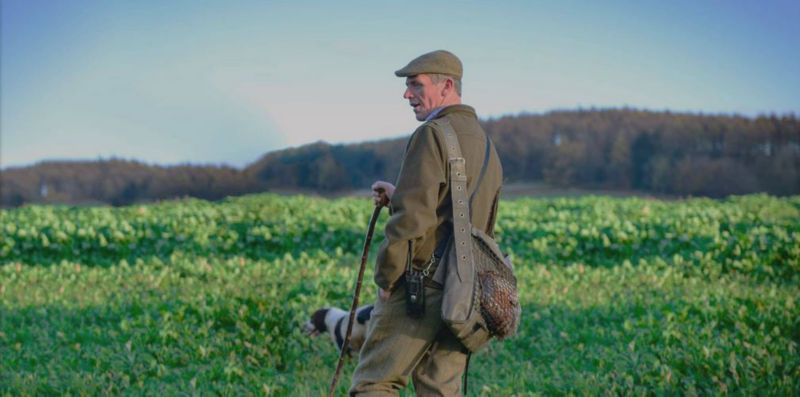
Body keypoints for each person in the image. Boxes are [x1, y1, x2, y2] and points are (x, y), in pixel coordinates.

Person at [350, 50, 503, 396]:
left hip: (422, 288)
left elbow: (411, 220)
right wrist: (398, 193)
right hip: (466, 294)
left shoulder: (432, 134)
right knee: (440, 390)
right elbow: (466, 213)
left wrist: (388, 278)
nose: (407, 95)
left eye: (416, 85)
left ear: (446, 85)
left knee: (375, 383)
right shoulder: (488, 145)